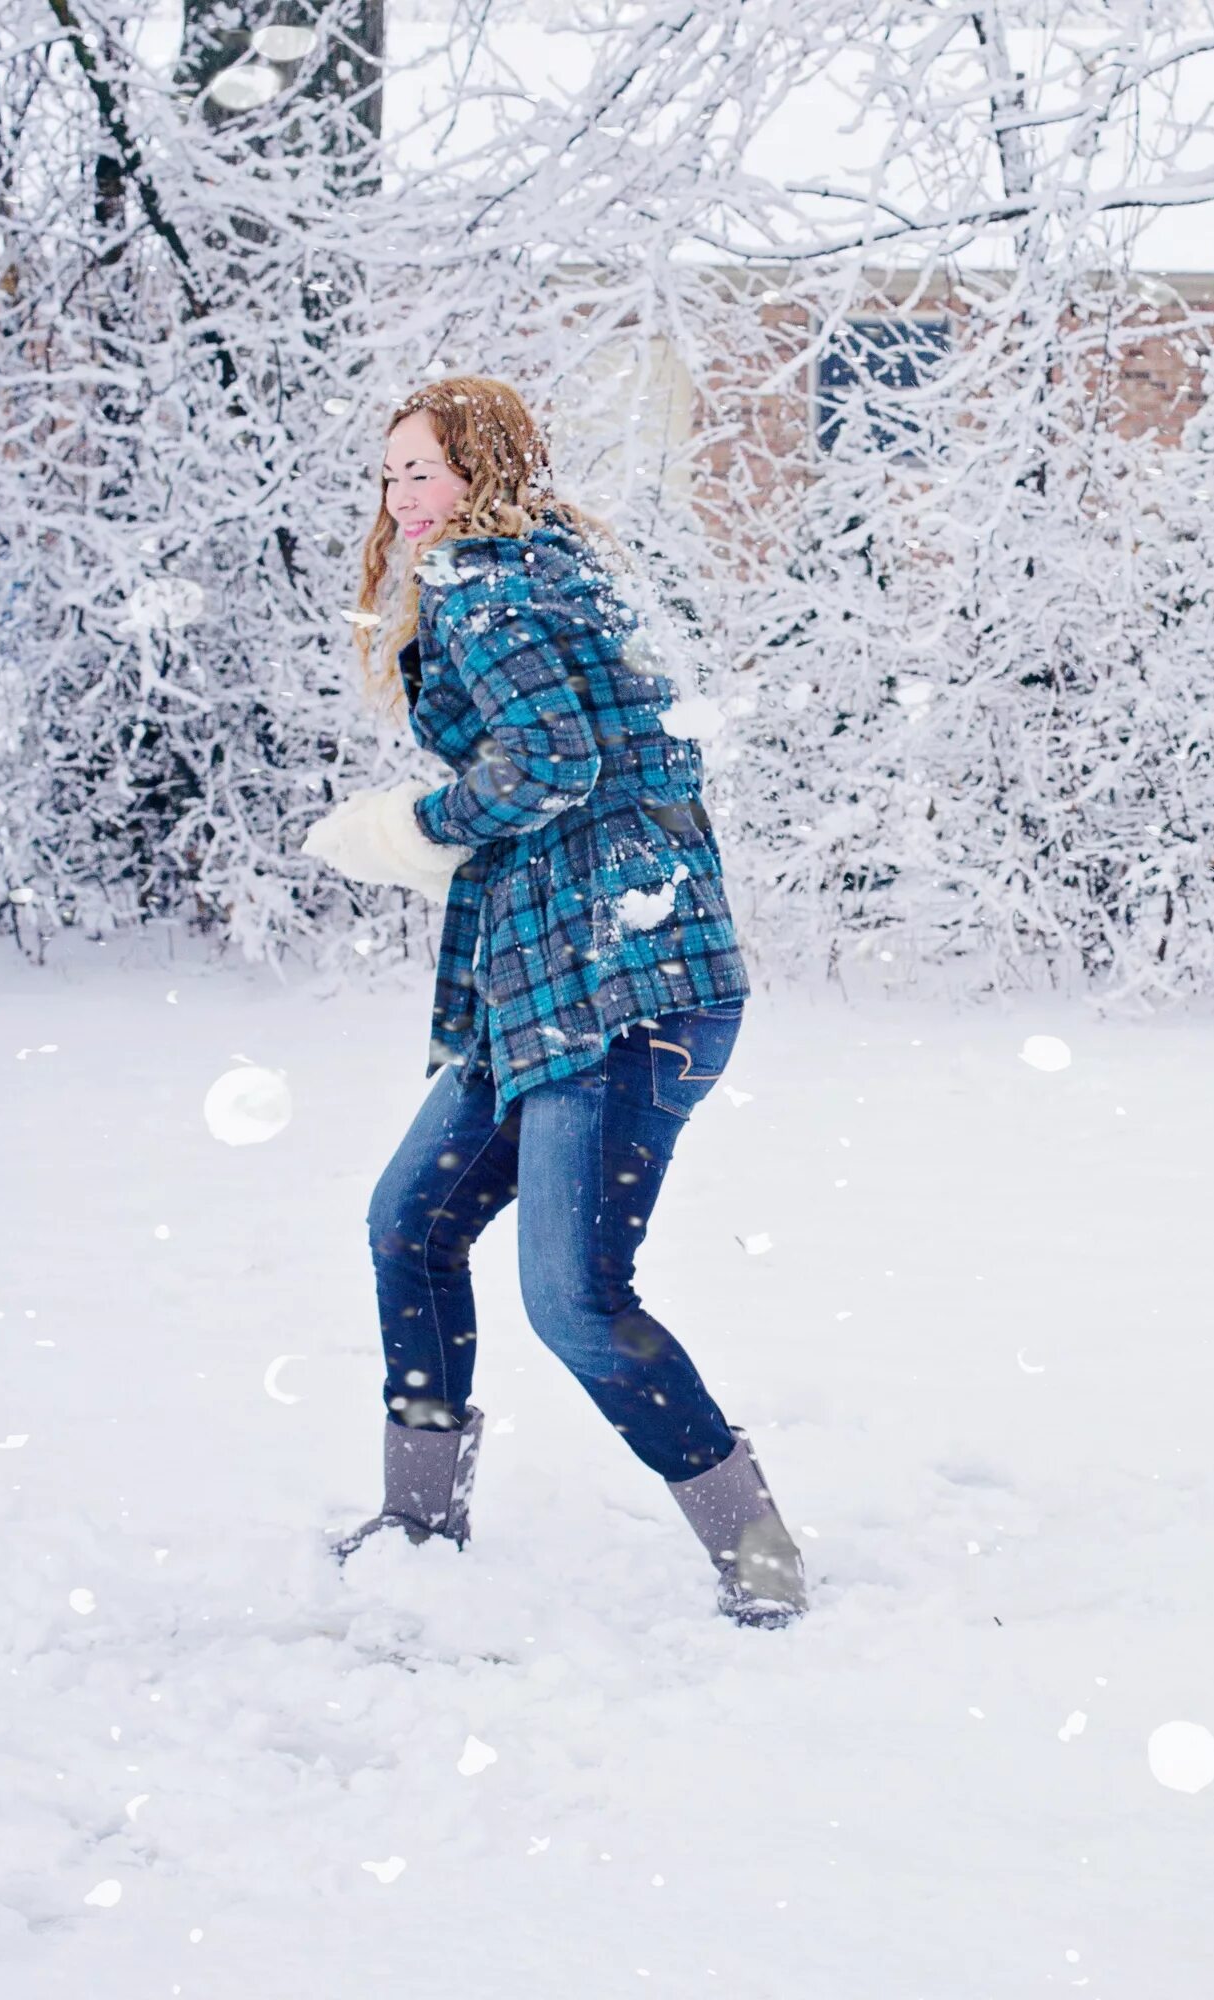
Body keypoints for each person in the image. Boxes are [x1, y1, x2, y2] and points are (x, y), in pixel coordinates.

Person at [300, 375, 806, 1628]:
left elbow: (555, 763)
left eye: (423, 470)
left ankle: (761, 1556)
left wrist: (416, 824)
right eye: (389, 476)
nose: (402, 499)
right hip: (567, 982)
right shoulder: (554, 569)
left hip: (621, 985)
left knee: (575, 1294)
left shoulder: (489, 578)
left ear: (486, 470)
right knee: (410, 1221)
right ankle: (419, 1522)